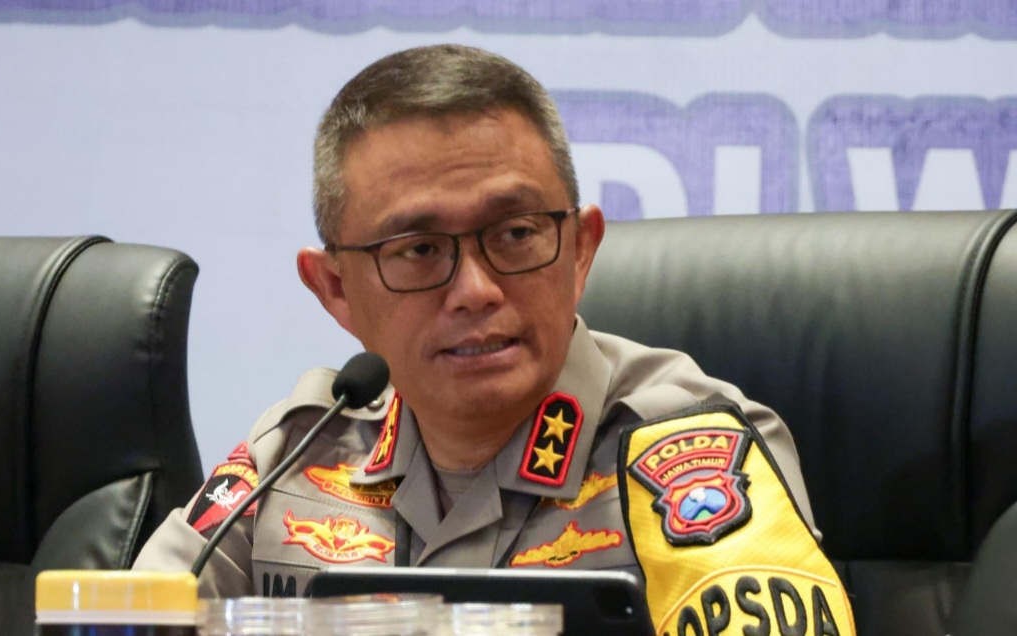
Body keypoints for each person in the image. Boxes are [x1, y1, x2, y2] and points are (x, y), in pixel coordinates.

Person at [135, 44, 855, 634]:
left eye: (515, 233)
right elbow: (127, 622)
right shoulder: (294, 455)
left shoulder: (689, 456)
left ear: (580, 251)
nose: (476, 289)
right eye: (419, 249)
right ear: (336, 290)